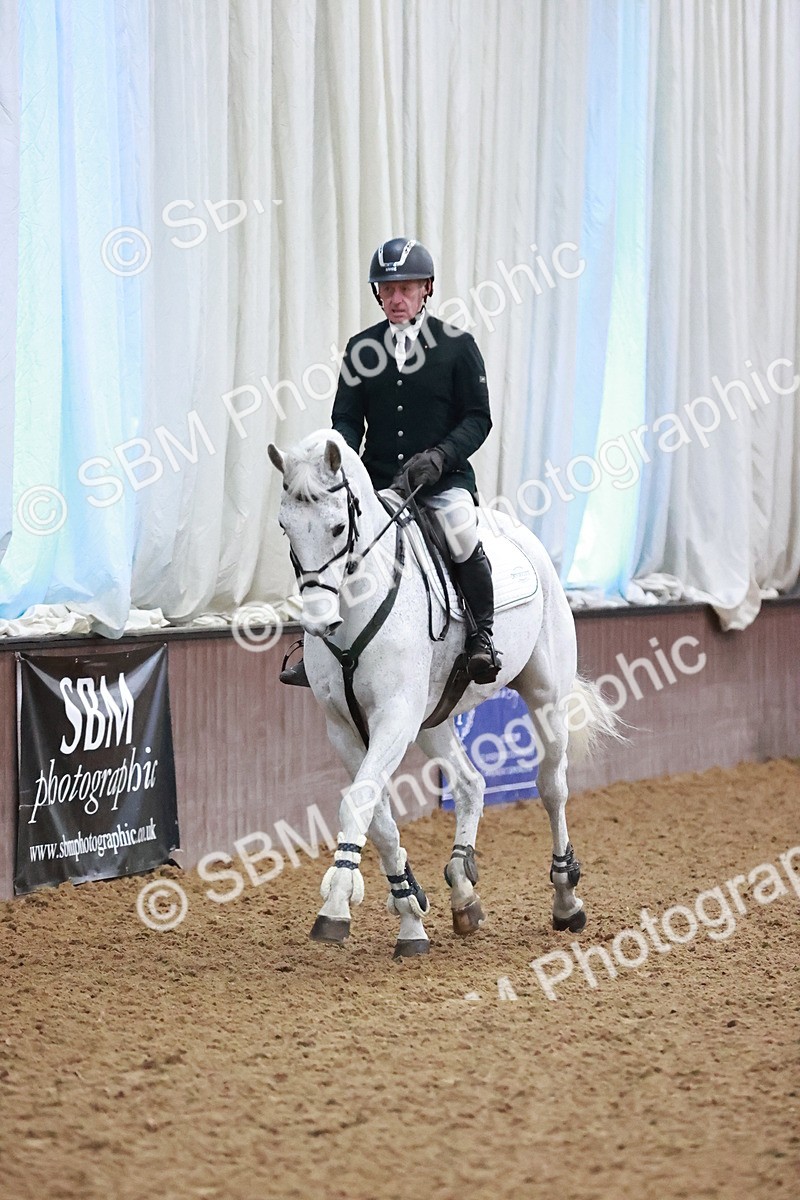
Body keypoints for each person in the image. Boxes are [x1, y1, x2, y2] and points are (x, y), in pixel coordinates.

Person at [280, 236, 502, 687]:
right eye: (387, 289)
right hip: (378, 482)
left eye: (406, 288)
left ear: (427, 289)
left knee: (461, 534)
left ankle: (482, 636)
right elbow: (345, 420)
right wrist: (334, 461)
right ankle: (320, 649)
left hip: (441, 481)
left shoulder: (458, 346)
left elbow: (479, 418)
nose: (396, 299)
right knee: (334, 544)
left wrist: (441, 457)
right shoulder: (361, 348)